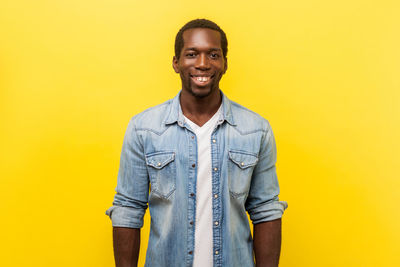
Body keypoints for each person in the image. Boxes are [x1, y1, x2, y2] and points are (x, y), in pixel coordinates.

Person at [106, 18, 288, 267]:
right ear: (176, 63)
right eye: (192, 54)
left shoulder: (255, 130)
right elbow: (128, 209)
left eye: (213, 55)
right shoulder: (143, 129)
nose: (203, 64)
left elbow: (266, 211)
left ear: (224, 64)